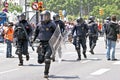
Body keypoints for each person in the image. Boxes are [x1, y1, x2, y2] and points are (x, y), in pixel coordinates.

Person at [31, 10, 56, 78]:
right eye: (42, 16)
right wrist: (32, 40)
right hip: (41, 43)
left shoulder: (52, 24)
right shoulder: (39, 24)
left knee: (47, 59)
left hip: (49, 44)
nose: (44, 18)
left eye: (45, 16)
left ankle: (46, 73)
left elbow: (56, 33)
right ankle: (43, 59)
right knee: (40, 60)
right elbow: (36, 33)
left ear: (48, 16)